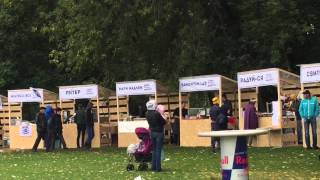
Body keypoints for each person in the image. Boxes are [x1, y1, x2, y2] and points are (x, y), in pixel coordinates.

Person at [146, 100, 166, 172]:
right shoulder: (156, 113)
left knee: (154, 150)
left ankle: (153, 166)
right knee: (158, 150)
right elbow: (163, 122)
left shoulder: (147, 113)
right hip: (159, 133)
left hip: (152, 132)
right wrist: (163, 116)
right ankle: (158, 168)